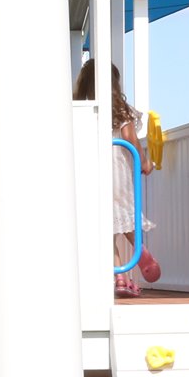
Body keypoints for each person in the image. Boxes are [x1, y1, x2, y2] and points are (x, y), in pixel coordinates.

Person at [74, 59, 161, 295]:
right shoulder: (121, 110)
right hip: (118, 170)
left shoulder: (80, 109)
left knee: (105, 228)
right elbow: (131, 139)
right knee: (126, 216)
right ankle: (141, 253)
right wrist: (144, 161)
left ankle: (120, 277)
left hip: (91, 169)